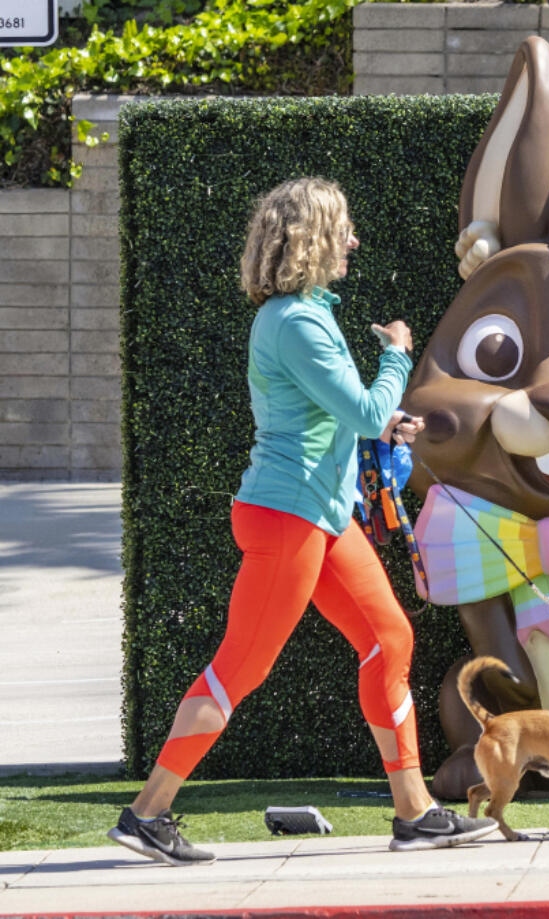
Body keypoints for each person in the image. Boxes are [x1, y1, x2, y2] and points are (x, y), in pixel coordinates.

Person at [108, 176, 496, 866]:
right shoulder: (295, 321)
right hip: (289, 517)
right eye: (342, 230)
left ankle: (415, 813)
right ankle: (147, 811)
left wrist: (383, 420)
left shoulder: (304, 315)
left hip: (318, 513)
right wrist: (397, 355)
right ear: (312, 239)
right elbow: (366, 412)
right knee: (239, 668)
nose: (352, 241)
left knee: (388, 636)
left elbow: (340, 416)